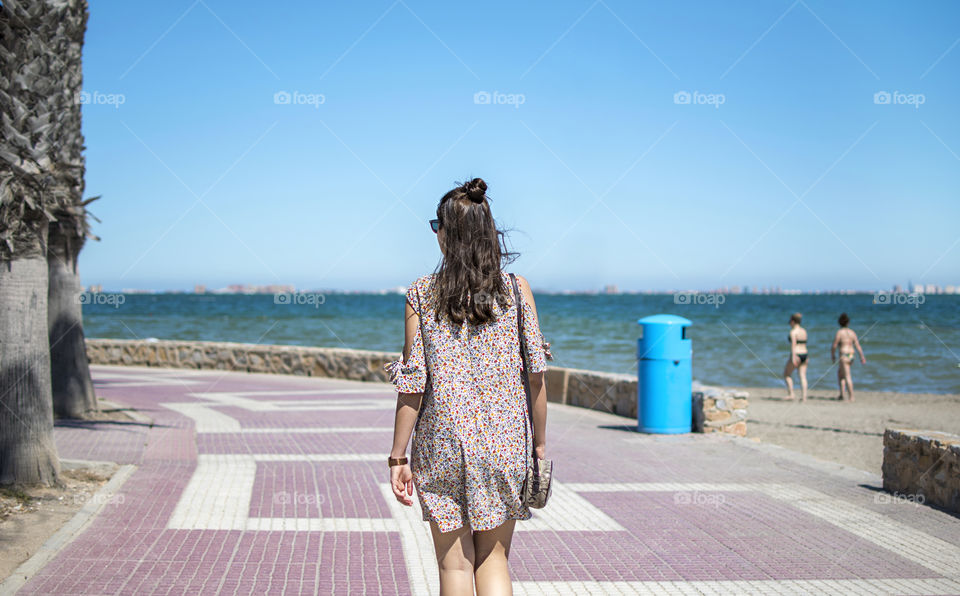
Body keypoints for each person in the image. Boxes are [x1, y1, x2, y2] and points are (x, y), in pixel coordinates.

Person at [384, 177, 551, 595]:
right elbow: (536, 375)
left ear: (447, 234)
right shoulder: (516, 290)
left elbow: (413, 384)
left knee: (455, 568)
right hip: (505, 443)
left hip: (442, 444)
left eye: (436, 226)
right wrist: (540, 445)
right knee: (494, 561)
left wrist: (397, 456)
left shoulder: (421, 295)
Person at [831, 312, 866, 402]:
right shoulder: (852, 333)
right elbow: (858, 345)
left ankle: (851, 397)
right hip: (851, 355)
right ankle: (842, 394)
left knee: (847, 376)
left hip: (844, 355)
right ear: (848, 323)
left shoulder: (839, 332)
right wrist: (862, 356)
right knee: (840, 374)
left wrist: (833, 355)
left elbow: (834, 345)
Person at [782, 312, 809, 402]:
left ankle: (791, 394)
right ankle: (804, 397)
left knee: (786, 374)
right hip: (805, 354)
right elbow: (805, 343)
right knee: (802, 376)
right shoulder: (804, 331)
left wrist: (793, 357)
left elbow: (793, 345)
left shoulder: (793, 332)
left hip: (796, 354)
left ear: (793, 321)